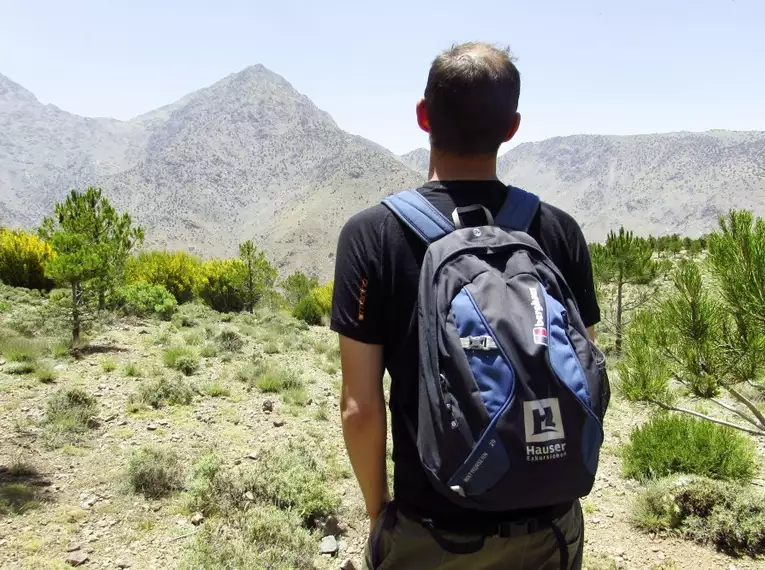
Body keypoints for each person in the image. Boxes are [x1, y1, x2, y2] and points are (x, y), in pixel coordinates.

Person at [330, 41, 601, 570]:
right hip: (549, 527)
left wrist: (376, 510)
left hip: (431, 530)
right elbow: (584, 366)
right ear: (512, 127)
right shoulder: (558, 231)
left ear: (423, 116)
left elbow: (359, 408)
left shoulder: (372, 235)